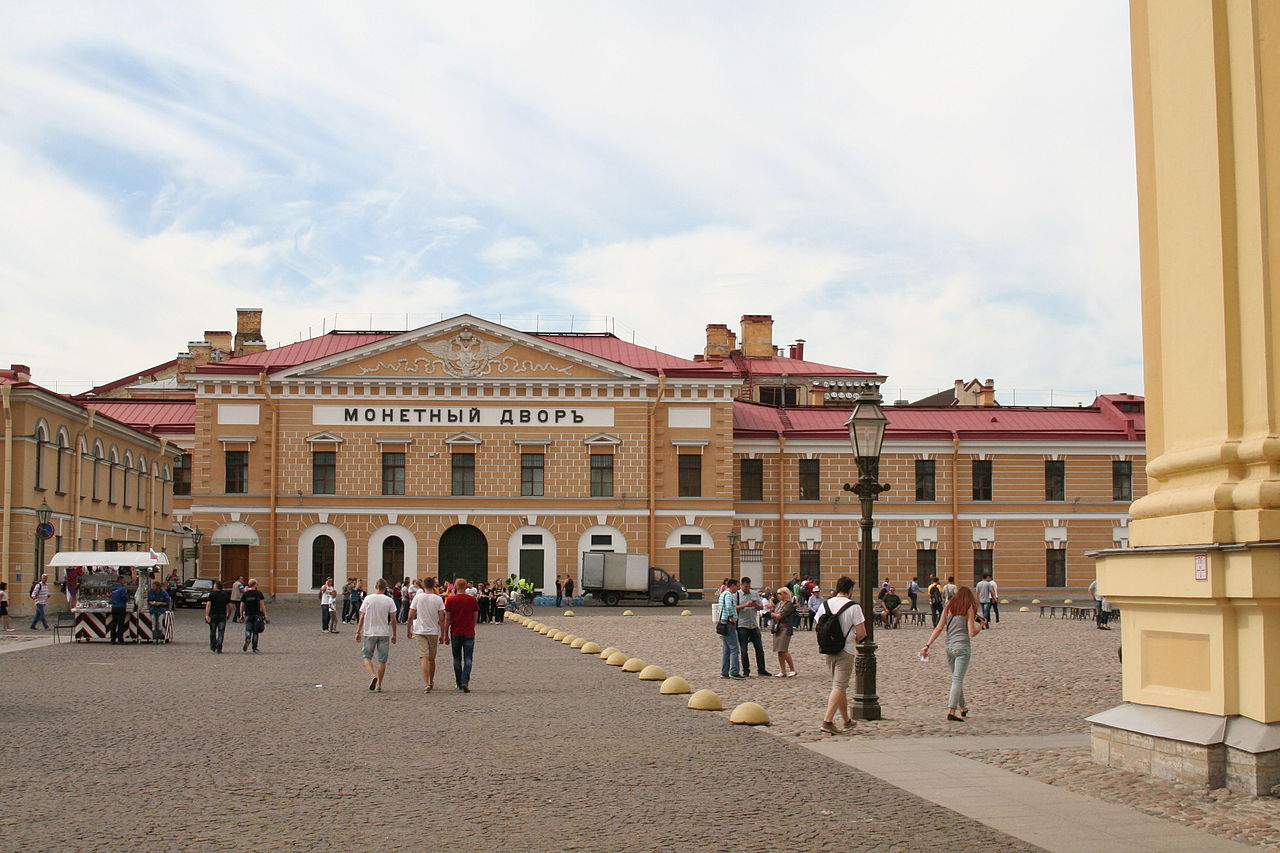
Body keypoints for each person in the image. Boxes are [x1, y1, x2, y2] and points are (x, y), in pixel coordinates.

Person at [921, 584, 984, 721]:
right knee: (957, 679)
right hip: (962, 648)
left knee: (956, 678)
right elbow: (972, 632)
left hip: (949, 647)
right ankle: (951, 710)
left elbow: (938, 628)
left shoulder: (948, 607)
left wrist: (927, 645)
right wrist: (981, 625)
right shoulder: (969, 608)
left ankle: (963, 707)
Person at [817, 575, 865, 734]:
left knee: (840, 686)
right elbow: (861, 633)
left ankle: (846, 720)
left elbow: (819, 624)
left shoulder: (825, 604)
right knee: (839, 686)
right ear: (850, 590)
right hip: (846, 650)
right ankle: (828, 721)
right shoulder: (854, 607)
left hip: (828, 649)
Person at [356, 578, 397, 692]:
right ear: (385, 588)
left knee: (367, 656)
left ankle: (372, 674)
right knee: (382, 660)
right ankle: (379, 684)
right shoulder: (389, 600)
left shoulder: (368, 599)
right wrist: (394, 634)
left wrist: (358, 631)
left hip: (370, 632)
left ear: (376, 587)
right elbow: (393, 619)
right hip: (383, 632)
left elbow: (362, 616)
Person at [408, 577, 445, 693]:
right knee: (432, 659)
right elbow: (441, 618)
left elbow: (410, 615)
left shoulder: (418, 597)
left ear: (423, 585)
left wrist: (408, 629)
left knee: (423, 657)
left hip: (420, 630)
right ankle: (431, 680)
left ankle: (426, 683)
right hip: (433, 631)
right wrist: (443, 634)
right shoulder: (438, 599)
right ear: (434, 585)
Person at [442, 577, 479, 692]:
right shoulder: (472, 600)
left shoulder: (451, 600)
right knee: (468, 658)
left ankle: (458, 682)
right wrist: (472, 626)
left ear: (456, 587)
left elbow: (447, 619)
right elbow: (475, 617)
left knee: (457, 658)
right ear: (466, 586)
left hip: (455, 632)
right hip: (468, 632)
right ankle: (465, 681)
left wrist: (445, 634)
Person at [734, 576, 771, 677]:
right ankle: (746, 670)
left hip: (754, 625)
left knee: (759, 648)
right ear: (741, 585)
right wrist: (745, 605)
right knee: (744, 649)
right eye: (745, 586)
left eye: (749, 586)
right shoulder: (737, 595)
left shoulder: (754, 593)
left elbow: (761, 607)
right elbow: (734, 608)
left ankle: (761, 669)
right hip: (742, 625)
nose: (747, 588)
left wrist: (755, 605)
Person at [716, 578, 743, 679]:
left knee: (726, 649)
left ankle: (724, 672)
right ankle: (734, 671)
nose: (738, 588)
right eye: (737, 586)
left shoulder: (723, 594)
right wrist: (732, 617)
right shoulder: (729, 595)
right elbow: (728, 606)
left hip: (723, 622)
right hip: (728, 623)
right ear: (732, 585)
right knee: (734, 648)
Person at [771, 587, 798, 677]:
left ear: (785, 594)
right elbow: (776, 614)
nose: (778, 595)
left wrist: (771, 614)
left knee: (784, 649)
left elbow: (781, 615)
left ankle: (792, 669)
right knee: (779, 650)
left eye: (780, 593)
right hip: (777, 628)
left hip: (785, 628)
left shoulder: (789, 604)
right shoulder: (779, 604)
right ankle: (783, 671)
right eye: (778, 593)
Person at [204, 580, 232, 652]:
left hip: (213, 615)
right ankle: (219, 646)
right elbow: (229, 606)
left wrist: (207, 615)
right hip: (222, 616)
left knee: (212, 631)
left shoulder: (212, 595)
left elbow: (208, 605)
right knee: (221, 632)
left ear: (216, 587)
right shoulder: (225, 595)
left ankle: (213, 645)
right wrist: (228, 614)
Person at [240, 578, 267, 652]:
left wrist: (241, 615)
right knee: (255, 631)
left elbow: (242, 605)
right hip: (257, 614)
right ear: (254, 585)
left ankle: (248, 638)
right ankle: (254, 648)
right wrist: (265, 615)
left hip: (248, 614)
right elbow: (262, 605)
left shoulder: (245, 594)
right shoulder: (259, 593)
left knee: (248, 629)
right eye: (257, 584)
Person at [146, 579, 171, 644]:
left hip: (161, 610)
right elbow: (148, 600)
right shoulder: (150, 592)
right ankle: (154, 639)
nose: (153, 588)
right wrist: (151, 603)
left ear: (158, 587)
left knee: (160, 623)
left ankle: (159, 638)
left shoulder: (164, 593)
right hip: (153, 609)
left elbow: (167, 602)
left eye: (154, 586)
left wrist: (160, 603)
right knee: (153, 624)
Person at [108, 576, 129, 644]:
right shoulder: (122, 589)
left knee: (114, 623)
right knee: (120, 624)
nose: (124, 582)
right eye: (123, 580)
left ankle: (112, 639)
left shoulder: (113, 589)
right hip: (121, 607)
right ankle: (120, 639)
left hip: (114, 607)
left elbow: (111, 597)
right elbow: (125, 598)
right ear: (120, 580)